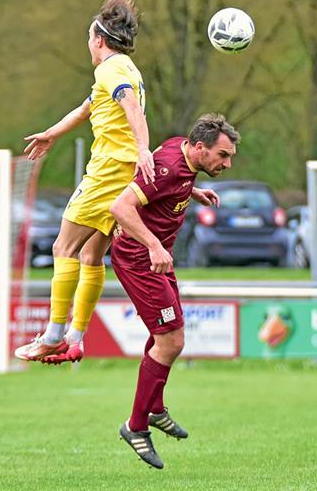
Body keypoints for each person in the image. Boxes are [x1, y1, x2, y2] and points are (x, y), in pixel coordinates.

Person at [14, 0, 154, 364]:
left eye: (89, 39)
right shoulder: (127, 69)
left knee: (63, 248)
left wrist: (144, 149)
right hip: (123, 175)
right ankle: (77, 337)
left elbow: (131, 108)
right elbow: (85, 109)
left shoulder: (110, 71)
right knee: (92, 255)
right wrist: (51, 134)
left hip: (108, 171)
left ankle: (52, 334)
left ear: (99, 40)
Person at [109, 113, 239, 469]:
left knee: (166, 335)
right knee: (171, 341)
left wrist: (192, 191)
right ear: (200, 148)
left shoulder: (179, 151)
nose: (226, 163)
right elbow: (120, 207)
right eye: (223, 155)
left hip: (155, 259)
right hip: (140, 259)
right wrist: (153, 245)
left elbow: (165, 183)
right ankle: (136, 426)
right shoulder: (167, 167)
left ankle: (154, 408)